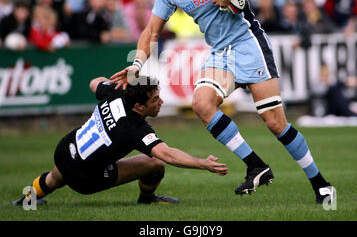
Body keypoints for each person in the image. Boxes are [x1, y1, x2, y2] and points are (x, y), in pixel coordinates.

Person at [110, 0, 335, 204]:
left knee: (275, 123)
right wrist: (135, 65)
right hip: (220, 52)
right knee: (202, 105)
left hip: (248, 43)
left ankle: (320, 184)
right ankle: (256, 166)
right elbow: (151, 30)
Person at [13, 75, 228, 206]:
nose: (161, 102)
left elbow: (93, 83)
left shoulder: (117, 92)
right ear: (139, 107)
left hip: (65, 150)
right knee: (155, 164)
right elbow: (167, 154)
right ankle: (147, 199)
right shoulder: (133, 128)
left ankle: (26, 202)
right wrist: (203, 163)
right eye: (155, 100)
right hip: (85, 178)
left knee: (53, 179)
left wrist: (120, 82)